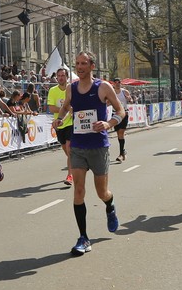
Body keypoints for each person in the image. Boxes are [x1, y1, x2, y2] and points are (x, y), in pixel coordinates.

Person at [53, 51, 126, 255]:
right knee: (78, 191)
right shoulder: (71, 88)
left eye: (84, 63)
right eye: (77, 63)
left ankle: (110, 205)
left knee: (102, 192)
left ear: (92, 66)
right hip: (77, 146)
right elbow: (65, 107)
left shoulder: (103, 87)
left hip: (98, 146)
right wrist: (59, 119)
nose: (80, 67)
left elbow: (121, 111)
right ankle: (83, 237)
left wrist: (108, 123)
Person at [47, 66, 75, 187]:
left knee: (69, 149)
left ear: (67, 77)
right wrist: (64, 109)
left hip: (71, 123)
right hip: (59, 124)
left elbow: (73, 108)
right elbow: (51, 108)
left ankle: (70, 175)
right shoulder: (53, 90)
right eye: (58, 76)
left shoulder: (72, 89)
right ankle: (76, 162)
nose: (60, 78)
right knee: (66, 149)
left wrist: (68, 111)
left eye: (63, 76)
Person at [111, 78, 131, 162]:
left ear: (121, 83)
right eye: (115, 82)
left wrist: (129, 98)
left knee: (121, 133)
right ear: (113, 84)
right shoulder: (111, 92)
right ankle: (123, 151)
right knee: (118, 134)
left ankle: (120, 155)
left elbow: (130, 100)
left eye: (119, 82)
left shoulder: (124, 92)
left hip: (124, 114)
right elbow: (107, 102)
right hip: (115, 114)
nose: (117, 84)